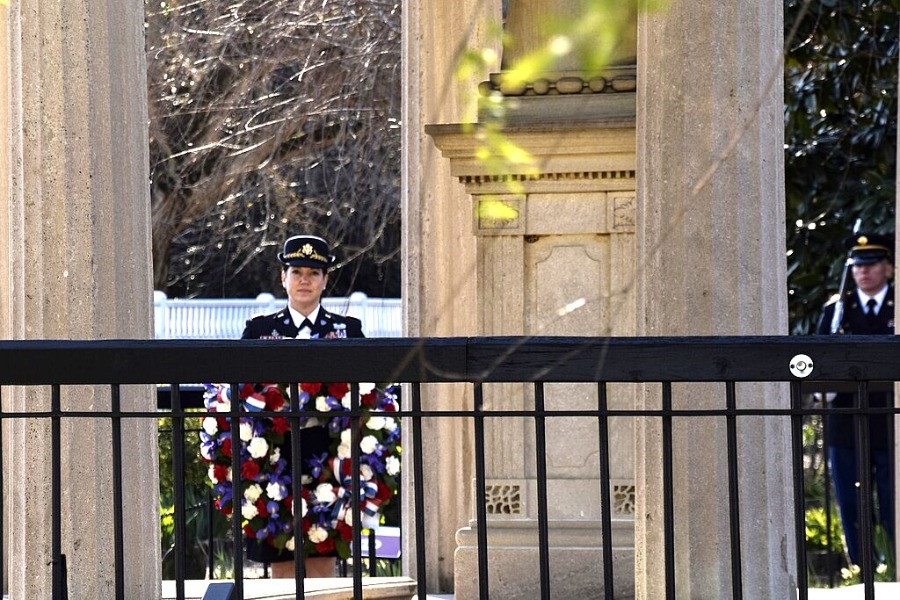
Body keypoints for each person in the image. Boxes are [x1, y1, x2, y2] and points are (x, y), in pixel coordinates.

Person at [241, 234, 364, 578]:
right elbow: (240, 393)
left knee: (324, 555)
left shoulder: (348, 331)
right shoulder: (260, 330)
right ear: (283, 278)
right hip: (275, 461)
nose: (305, 280)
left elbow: (366, 396)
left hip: (328, 461)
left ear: (326, 280)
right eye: (297, 271)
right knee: (280, 564)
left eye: (314, 272)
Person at [816, 231, 895, 566]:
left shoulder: (897, 306)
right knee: (851, 499)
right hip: (846, 420)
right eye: (857, 266)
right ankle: (862, 565)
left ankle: (895, 561)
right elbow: (818, 360)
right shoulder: (837, 310)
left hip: (891, 419)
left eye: (872, 264)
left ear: (889, 268)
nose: (863, 272)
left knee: (894, 497)